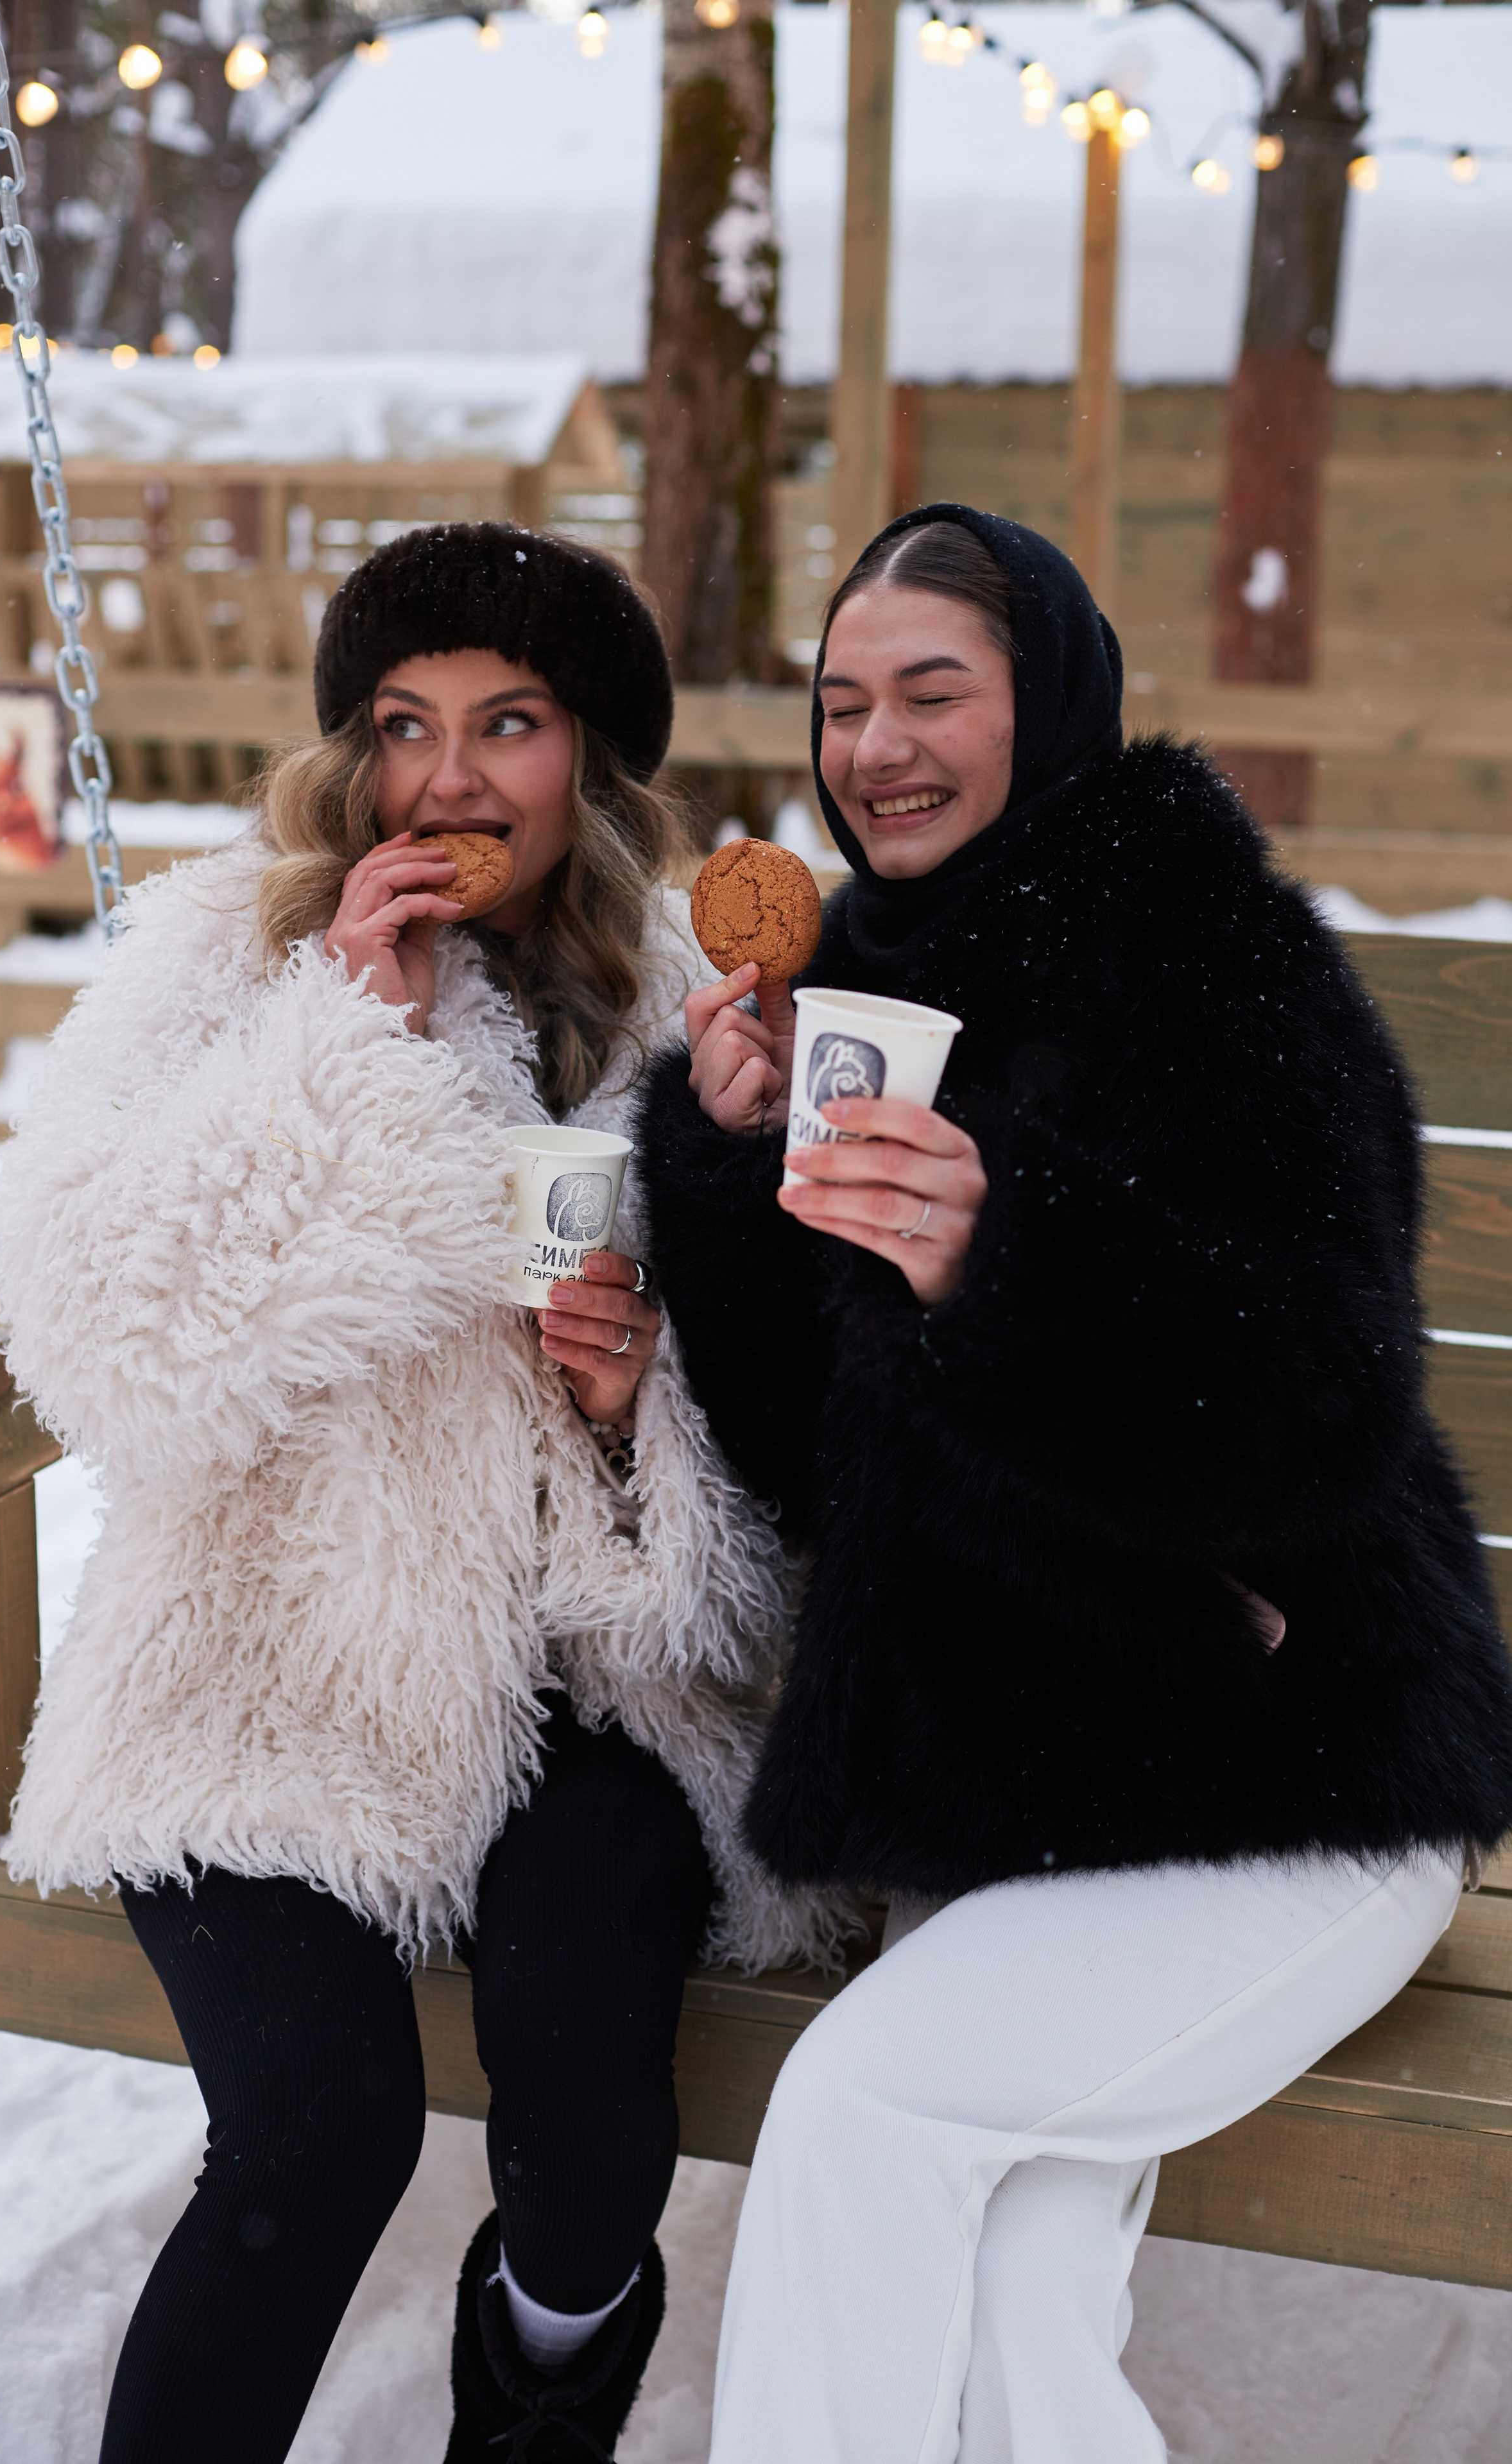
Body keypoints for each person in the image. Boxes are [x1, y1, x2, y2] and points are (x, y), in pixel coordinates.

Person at [637, 504, 1512, 2462]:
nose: (876, 748)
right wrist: (730, 1162)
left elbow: (1326, 1406)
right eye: (843, 702)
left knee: (866, 2115)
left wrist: (1007, 1256)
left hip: (1296, 1768)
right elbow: (807, 1460)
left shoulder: (1217, 964)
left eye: (933, 693)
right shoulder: (856, 991)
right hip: (1026, 1781)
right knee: (1016, 2302)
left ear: (1051, 699)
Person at [0, 523, 834, 2464]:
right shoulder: (231, 960)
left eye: (508, 723)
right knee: (321, 2124)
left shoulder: (691, 1000)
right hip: (265, 1668)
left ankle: (536, 2396)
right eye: (403, 724)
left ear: (589, 752)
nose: (449, 780)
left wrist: (628, 1410)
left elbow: (789, 1421)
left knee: (591, 2123)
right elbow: (104, 1333)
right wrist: (338, 1041)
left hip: (592, 1684)